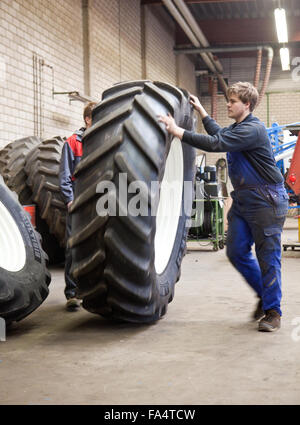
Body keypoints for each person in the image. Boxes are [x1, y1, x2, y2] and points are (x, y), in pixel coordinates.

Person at [159, 81, 288, 332]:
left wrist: (177, 131)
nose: (228, 104)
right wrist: (203, 113)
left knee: (267, 256)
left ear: (247, 104)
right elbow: (220, 135)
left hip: (266, 201)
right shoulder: (239, 128)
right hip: (243, 199)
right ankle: (264, 294)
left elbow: (216, 144)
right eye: (228, 100)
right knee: (236, 251)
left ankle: (273, 312)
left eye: (232, 101)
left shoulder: (254, 129)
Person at [59, 101, 96, 310]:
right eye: (96, 117)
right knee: (74, 247)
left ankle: (91, 290)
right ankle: (72, 293)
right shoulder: (73, 142)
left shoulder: (101, 141)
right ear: (87, 119)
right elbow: (64, 175)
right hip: (78, 202)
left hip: (98, 202)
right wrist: (70, 200)